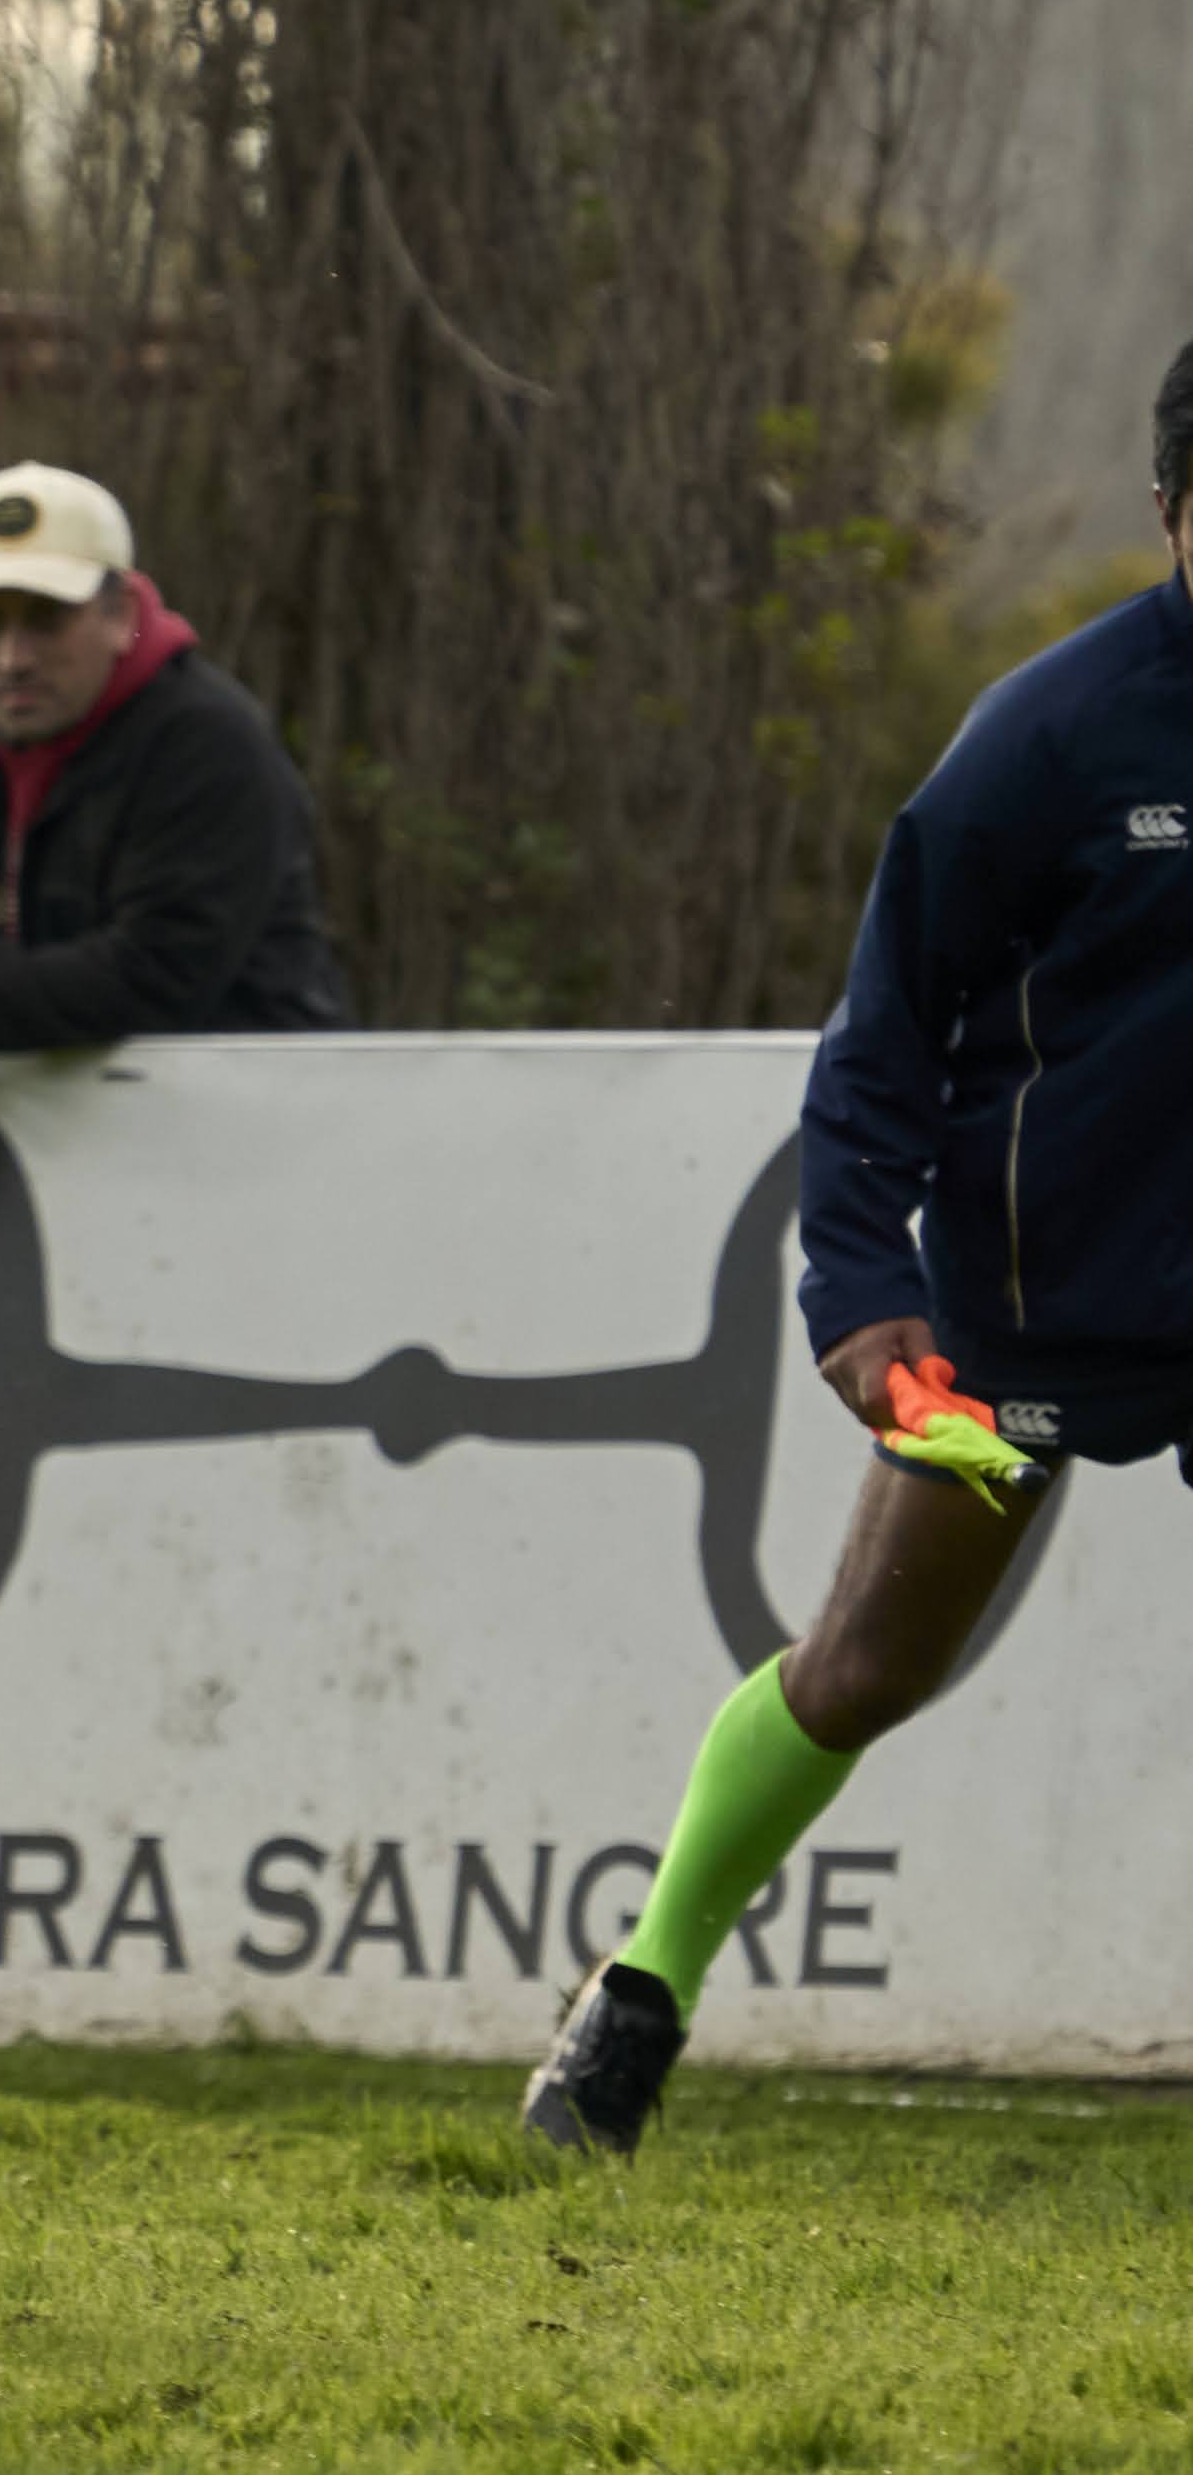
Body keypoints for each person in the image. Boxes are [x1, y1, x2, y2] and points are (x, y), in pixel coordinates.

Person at [520, 348, 1193, 2156]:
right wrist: (861, 1291)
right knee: (863, 1672)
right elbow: (884, 1032)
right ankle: (636, 1999)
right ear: (1167, 512)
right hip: (1029, 1313)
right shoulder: (1048, 736)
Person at [0, 461, 345, 1057]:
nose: (12, 659)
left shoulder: (209, 745)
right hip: (21, 1105)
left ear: (120, 616)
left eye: (46, 620)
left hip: (256, 1097)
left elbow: (156, 977)